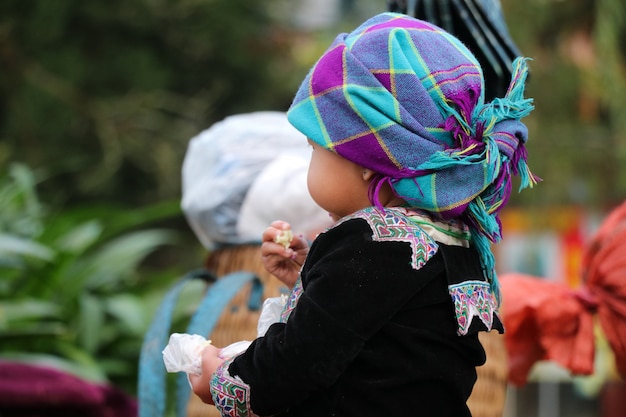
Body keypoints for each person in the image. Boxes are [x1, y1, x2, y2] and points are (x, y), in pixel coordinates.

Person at [189, 12, 537, 416]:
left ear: (368, 158)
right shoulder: (457, 239)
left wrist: (219, 380)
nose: (310, 159)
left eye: (314, 147)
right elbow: (390, 337)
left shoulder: (369, 242)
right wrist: (313, 276)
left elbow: (294, 366)